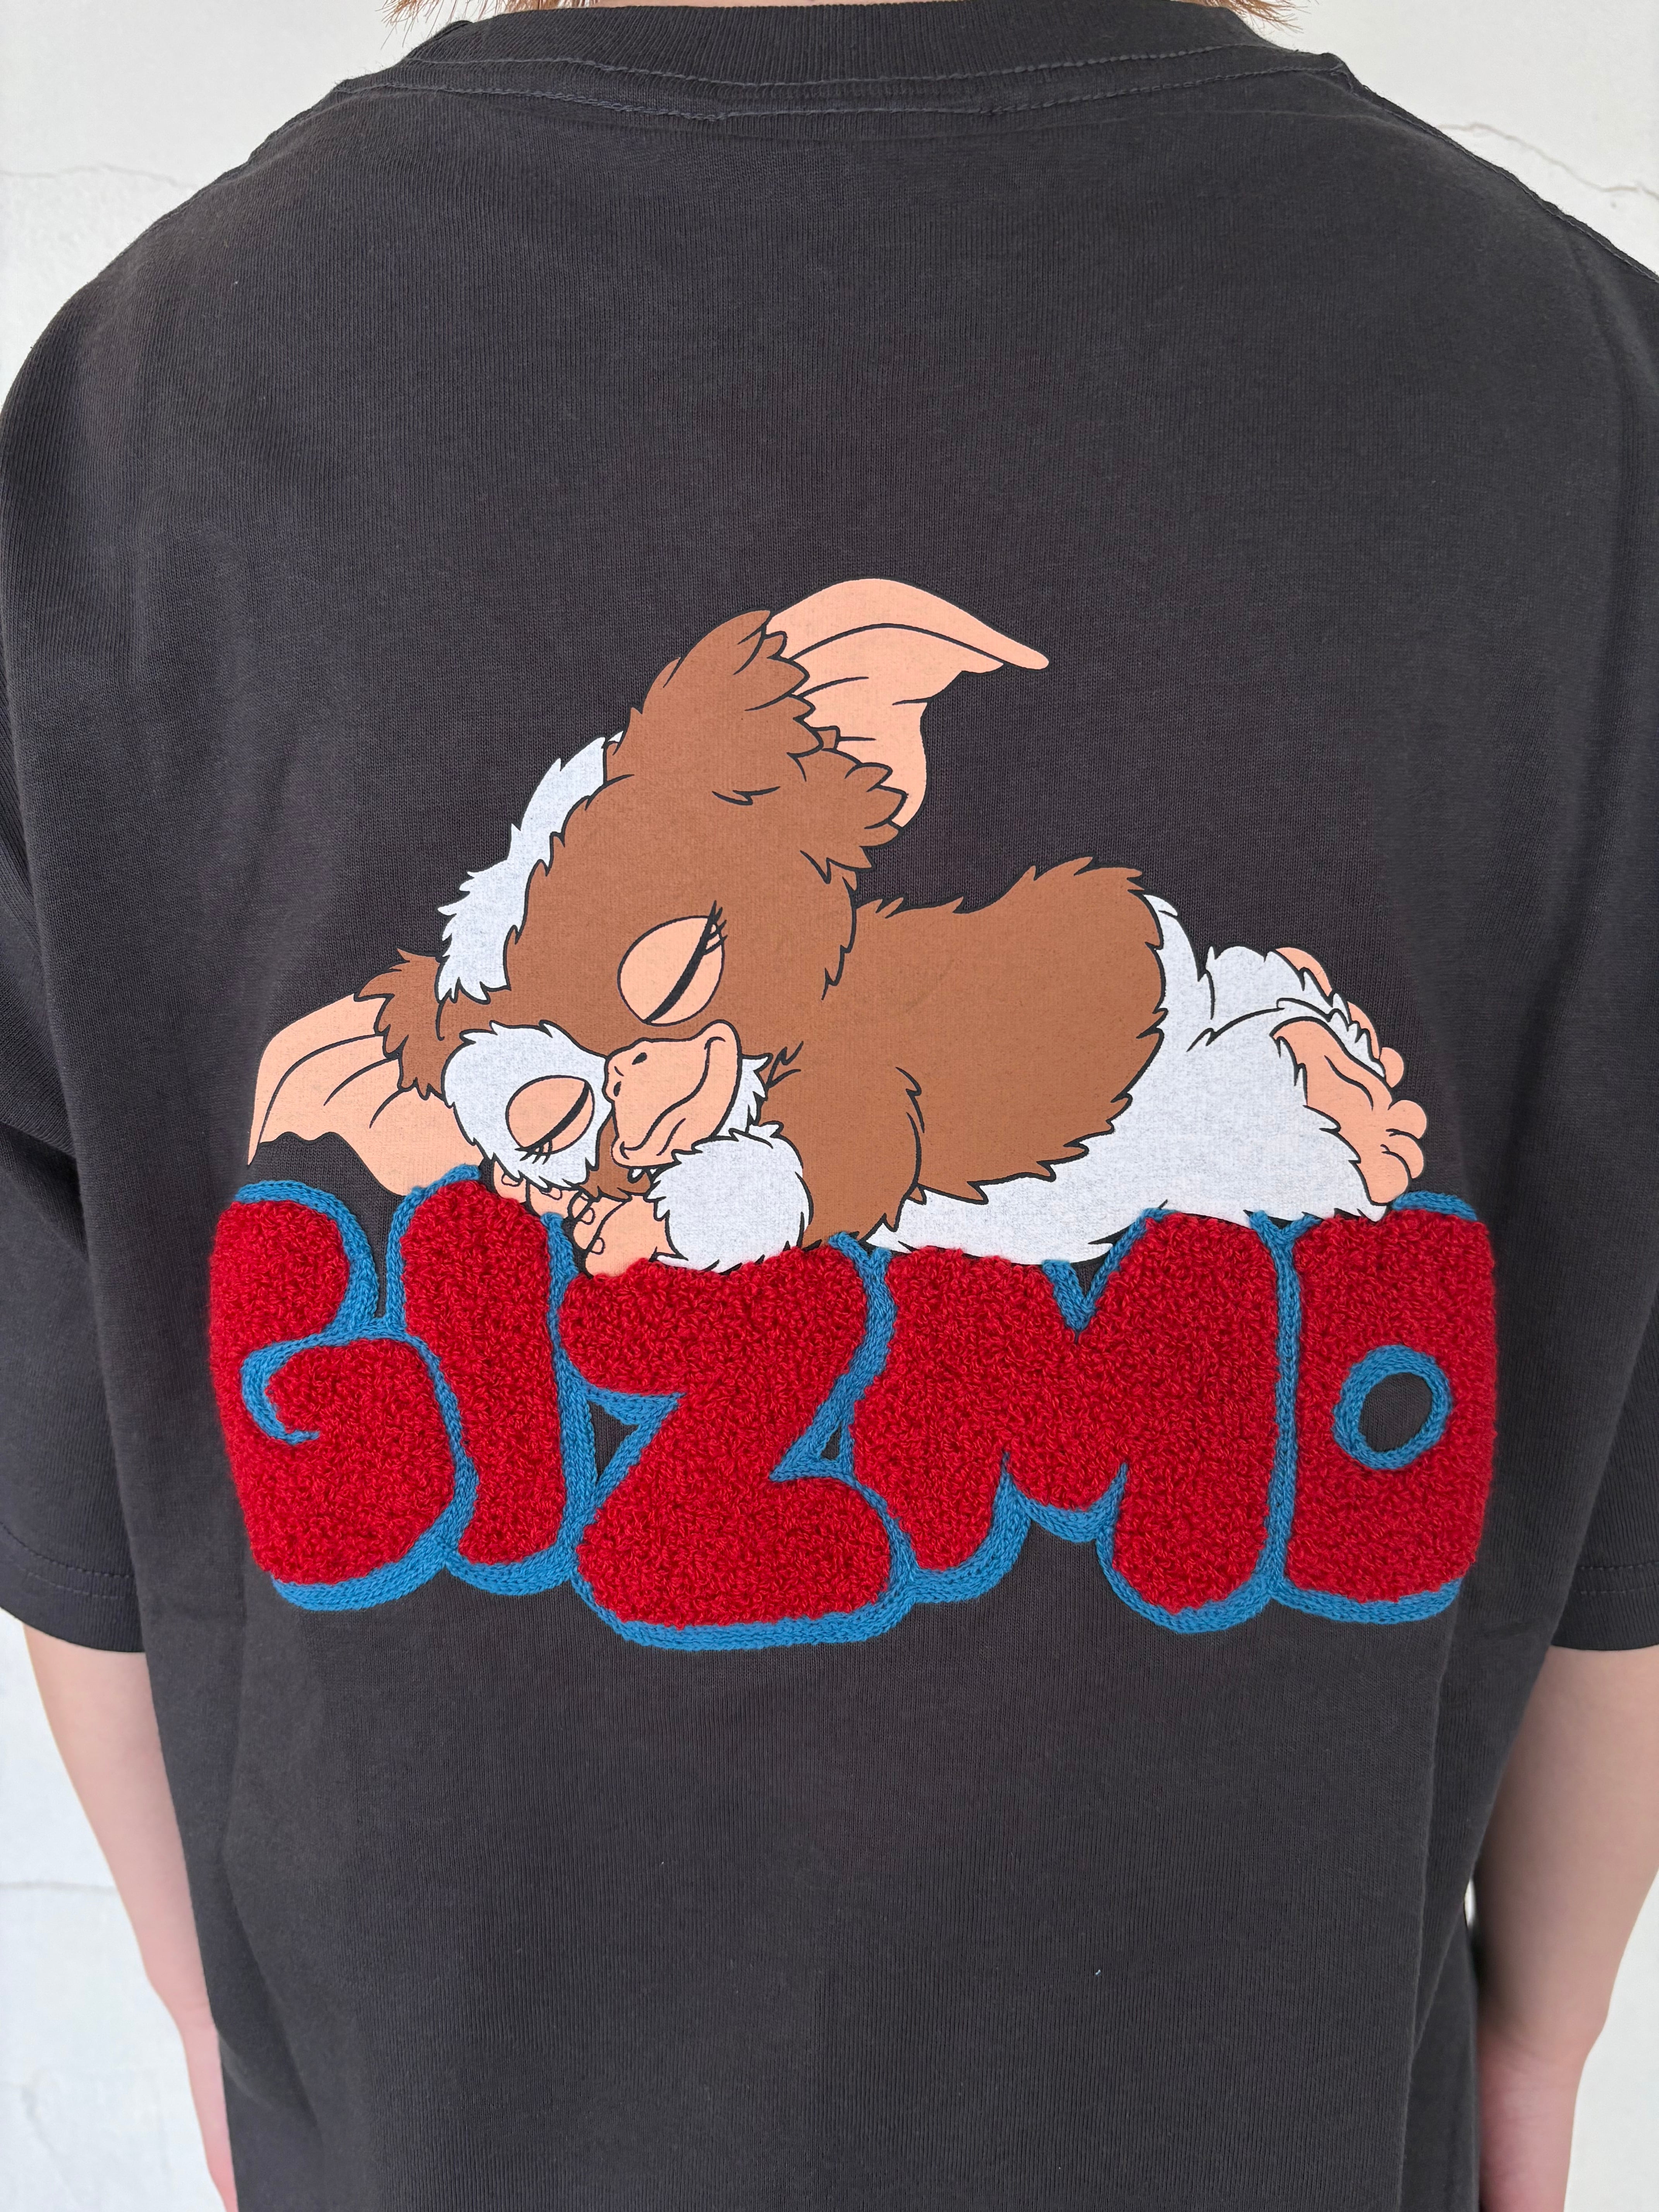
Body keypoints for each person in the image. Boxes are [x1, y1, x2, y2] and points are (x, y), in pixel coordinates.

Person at [2, 0, 1657, 2205]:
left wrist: (224, 2030)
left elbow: (88, 1514)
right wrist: (1537, 2047)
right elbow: (1621, 1489)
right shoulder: (1585, 405)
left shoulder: (137, 418)